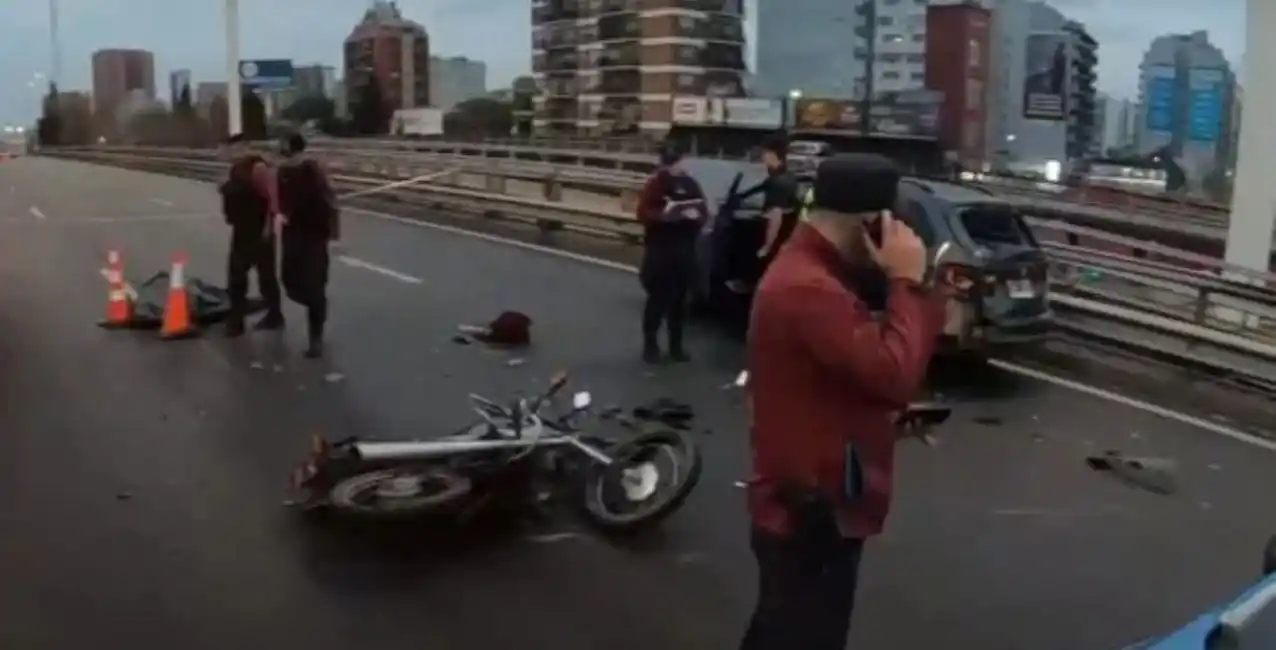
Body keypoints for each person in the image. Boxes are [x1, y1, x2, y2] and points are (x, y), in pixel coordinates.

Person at [739, 153, 949, 650]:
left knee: (778, 634)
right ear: (870, 225)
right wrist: (907, 281)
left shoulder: (812, 274)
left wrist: (883, 421)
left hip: (811, 502)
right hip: (810, 515)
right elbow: (894, 375)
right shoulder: (810, 287)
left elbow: (833, 381)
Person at [635, 143, 706, 364]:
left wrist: (696, 216)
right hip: (661, 252)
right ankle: (650, 345)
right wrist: (667, 217)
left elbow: (703, 210)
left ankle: (676, 346)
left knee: (679, 303)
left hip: (684, 252)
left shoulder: (691, 184)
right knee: (657, 301)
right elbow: (643, 213)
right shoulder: (656, 183)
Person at [275, 133, 339, 359]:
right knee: (289, 280)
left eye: (282, 143)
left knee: (314, 284)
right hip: (292, 233)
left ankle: (316, 337)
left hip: (313, 236)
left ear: (292, 147)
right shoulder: (283, 171)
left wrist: (333, 234)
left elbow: (330, 201)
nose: (279, 146)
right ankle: (317, 304)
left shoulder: (312, 170)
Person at [219, 133, 284, 336]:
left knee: (266, 277)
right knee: (236, 277)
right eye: (229, 149)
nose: (231, 152)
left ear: (245, 147)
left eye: (236, 148)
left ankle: (275, 315)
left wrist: (268, 229)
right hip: (241, 229)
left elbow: (270, 201)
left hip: (259, 230)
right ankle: (236, 321)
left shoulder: (258, 168)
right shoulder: (235, 170)